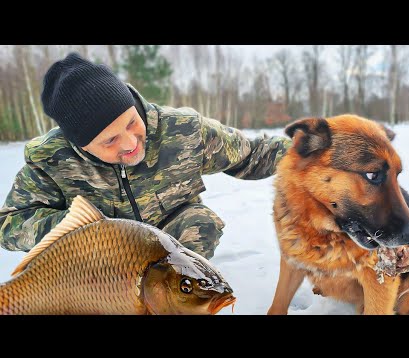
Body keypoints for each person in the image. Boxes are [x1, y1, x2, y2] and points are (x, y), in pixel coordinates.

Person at [0, 52, 291, 259]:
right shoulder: (50, 160)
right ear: (81, 145)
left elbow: (252, 155)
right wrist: (81, 231)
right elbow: (9, 224)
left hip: (170, 244)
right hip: (100, 258)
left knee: (200, 223)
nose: (130, 143)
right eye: (111, 140)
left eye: (131, 122)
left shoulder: (184, 130)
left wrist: (310, 149)